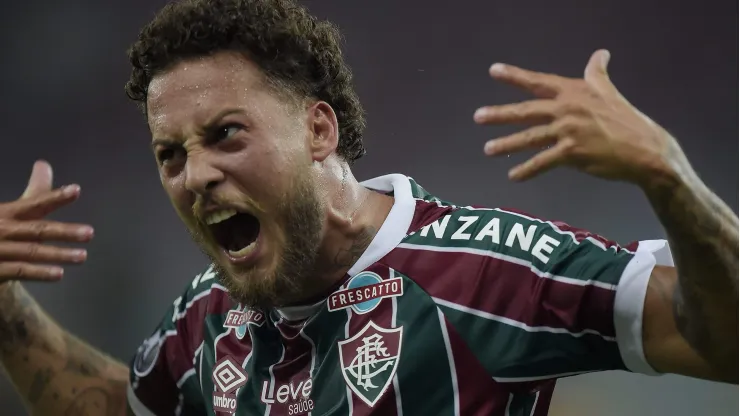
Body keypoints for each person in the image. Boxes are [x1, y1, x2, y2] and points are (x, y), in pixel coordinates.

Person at [0, 0, 736, 414]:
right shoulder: (205, 316)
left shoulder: (484, 275)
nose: (195, 175)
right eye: (171, 155)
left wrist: (670, 180)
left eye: (225, 135)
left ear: (319, 129)